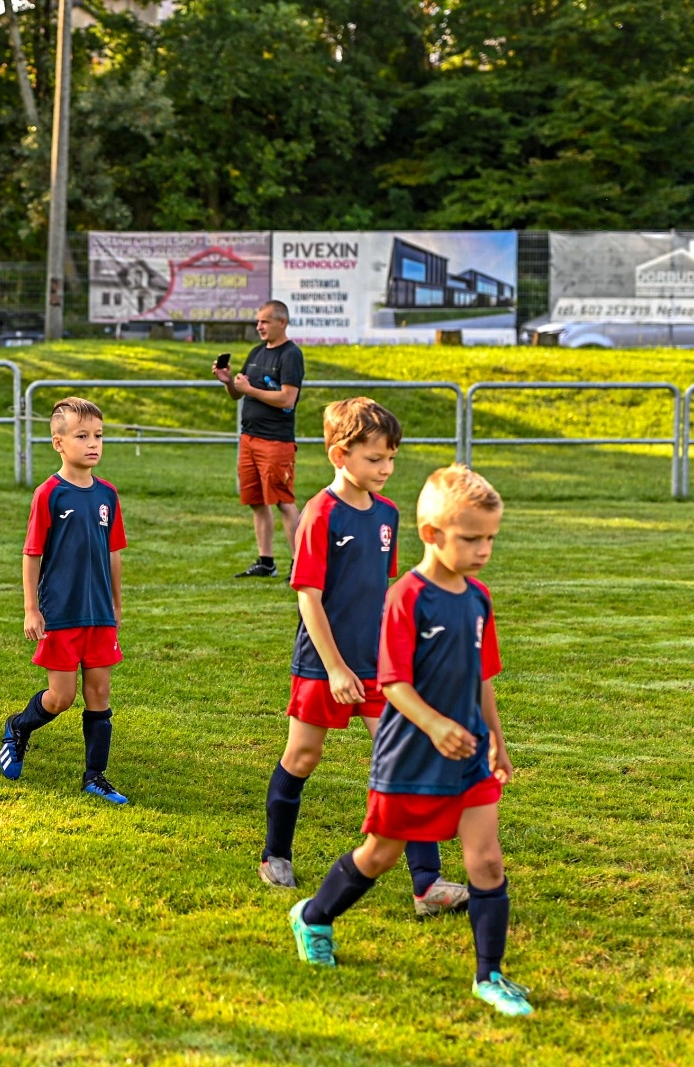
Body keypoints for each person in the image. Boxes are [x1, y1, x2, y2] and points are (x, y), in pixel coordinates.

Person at [289, 465, 532, 1017]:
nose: (483, 550)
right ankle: (314, 917)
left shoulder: (479, 599)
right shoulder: (406, 597)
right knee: (379, 855)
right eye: (471, 539)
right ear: (431, 534)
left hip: (467, 753)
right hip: (410, 755)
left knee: (487, 863)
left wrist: (496, 738)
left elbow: (483, 677)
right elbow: (393, 684)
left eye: (490, 539)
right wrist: (435, 725)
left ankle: (490, 976)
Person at [260, 398, 468, 916]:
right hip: (323, 664)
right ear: (340, 455)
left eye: (391, 458)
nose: (386, 468)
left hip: (378, 667)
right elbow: (308, 597)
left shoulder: (388, 514)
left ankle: (427, 885)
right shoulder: (320, 513)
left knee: (404, 761)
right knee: (302, 757)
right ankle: (275, 855)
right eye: (375, 459)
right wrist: (334, 668)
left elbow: (383, 591)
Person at [0, 396, 129, 805]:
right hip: (61, 612)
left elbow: (114, 553)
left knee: (99, 693)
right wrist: (31, 608)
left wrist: (116, 604)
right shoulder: (49, 493)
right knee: (61, 697)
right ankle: (19, 726)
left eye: (98, 436)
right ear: (58, 443)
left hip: (99, 612)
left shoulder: (107, 494)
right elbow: (32, 554)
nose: (93, 444)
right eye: (82, 436)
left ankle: (95, 777)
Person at [213, 300, 304, 578]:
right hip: (249, 439)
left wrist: (249, 389)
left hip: (275, 441)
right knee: (256, 501)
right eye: (257, 321)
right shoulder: (256, 352)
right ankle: (266, 562)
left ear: (282, 323)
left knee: (283, 501)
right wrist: (228, 381)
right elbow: (238, 393)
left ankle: (300, 564)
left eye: (265, 321)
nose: (259, 327)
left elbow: (287, 398)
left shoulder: (291, 355)